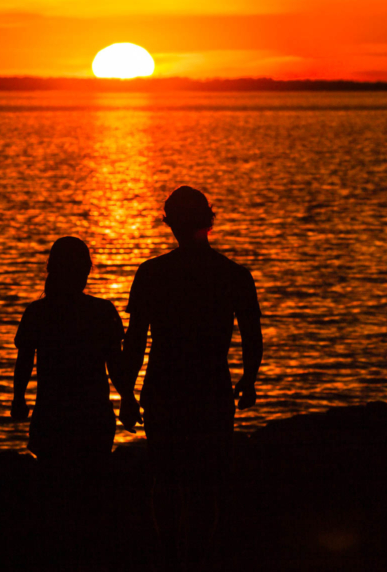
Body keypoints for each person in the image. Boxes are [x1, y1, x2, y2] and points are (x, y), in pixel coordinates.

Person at [118, 186, 263, 570]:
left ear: (171, 223)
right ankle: (197, 559)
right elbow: (252, 337)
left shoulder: (151, 274)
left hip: (164, 388)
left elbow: (135, 342)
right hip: (211, 389)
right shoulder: (234, 275)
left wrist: (126, 396)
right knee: (205, 484)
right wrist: (248, 380)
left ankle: (169, 556)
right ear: (207, 221)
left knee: (165, 478)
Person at [10, 236, 126, 564]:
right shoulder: (102, 312)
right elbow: (114, 363)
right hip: (93, 417)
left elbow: (24, 362)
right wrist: (129, 399)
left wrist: (18, 400)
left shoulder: (37, 313)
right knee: (92, 494)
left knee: (54, 496)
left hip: (52, 417)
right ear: (86, 271)